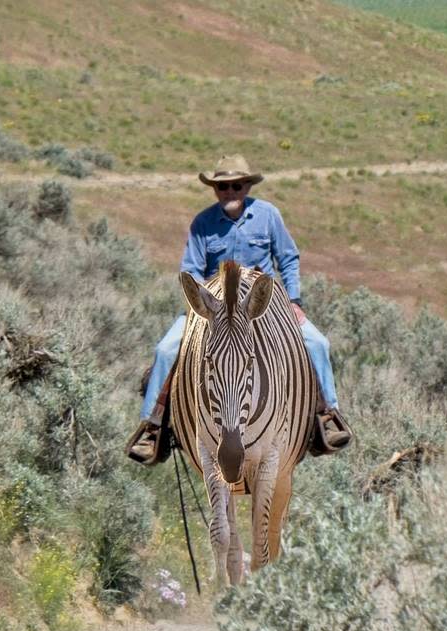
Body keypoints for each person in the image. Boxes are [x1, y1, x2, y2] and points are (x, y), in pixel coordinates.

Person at [127, 154, 352, 464]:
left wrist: (294, 302)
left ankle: (326, 415)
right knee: (165, 350)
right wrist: (200, 305)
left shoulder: (268, 215)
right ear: (215, 189)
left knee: (317, 343)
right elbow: (190, 270)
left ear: (247, 186)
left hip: (264, 304)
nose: (229, 192)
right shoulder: (203, 224)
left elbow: (287, 258)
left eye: (235, 185)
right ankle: (153, 428)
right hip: (214, 307)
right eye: (222, 187)